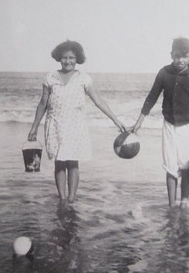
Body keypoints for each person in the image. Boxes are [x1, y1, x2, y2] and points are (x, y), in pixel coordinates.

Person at [28, 40, 126, 203]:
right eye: (64, 57)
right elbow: (42, 104)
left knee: (73, 163)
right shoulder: (50, 78)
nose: (68, 61)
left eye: (71, 58)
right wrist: (34, 127)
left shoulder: (83, 79)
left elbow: (99, 100)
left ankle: (71, 199)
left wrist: (116, 120)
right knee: (59, 163)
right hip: (55, 126)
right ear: (59, 58)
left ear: (77, 58)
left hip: (76, 127)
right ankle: (62, 198)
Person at [130, 37, 189, 208]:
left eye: (184, 56)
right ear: (171, 54)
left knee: (186, 165)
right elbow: (151, 98)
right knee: (171, 167)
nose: (180, 60)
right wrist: (139, 121)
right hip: (169, 125)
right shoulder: (164, 73)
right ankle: (172, 204)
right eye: (177, 56)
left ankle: (184, 202)